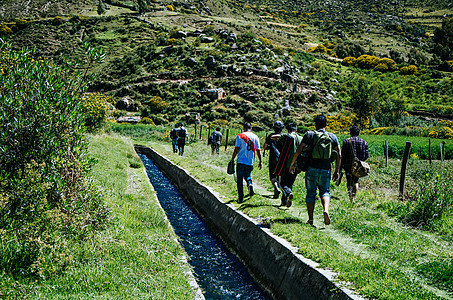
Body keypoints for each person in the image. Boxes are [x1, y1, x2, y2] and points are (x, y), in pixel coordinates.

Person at [289, 115, 341, 227]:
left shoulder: (310, 134)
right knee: (325, 191)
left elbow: (299, 150)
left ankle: (311, 219)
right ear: (326, 124)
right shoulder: (332, 137)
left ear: (315, 124)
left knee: (311, 193)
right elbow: (339, 155)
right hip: (326, 168)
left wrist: (293, 164)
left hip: (311, 167)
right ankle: (326, 210)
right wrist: (337, 170)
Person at [230, 122, 262, 203]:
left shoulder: (240, 136)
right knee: (247, 175)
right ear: (251, 128)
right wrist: (260, 161)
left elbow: (237, 148)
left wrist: (232, 159)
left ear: (244, 128)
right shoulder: (255, 137)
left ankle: (241, 198)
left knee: (239, 179)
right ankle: (249, 184)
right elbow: (258, 150)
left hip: (241, 160)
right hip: (250, 161)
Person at [273, 123, 302, 207]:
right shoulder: (301, 138)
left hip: (287, 164)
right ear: (296, 130)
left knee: (281, 184)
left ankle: (288, 194)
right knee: (289, 183)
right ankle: (284, 201)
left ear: (288, 130)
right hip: (296, 165)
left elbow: (274, 137)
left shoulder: (288, 136)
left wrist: (281, 136)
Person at [341, 125, 369, 203]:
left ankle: (351, 198)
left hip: (348, 165)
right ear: (358, 133)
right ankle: (354, 197)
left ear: (350, 133)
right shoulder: (364, 142)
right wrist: (360, 162)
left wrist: (341, 166)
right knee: (356, 181)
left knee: (349, 181)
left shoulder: (346, 141)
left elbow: (343, 155)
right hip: (359, 166)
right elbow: (366, 155)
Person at [263, 121, 284, 199]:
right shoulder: (283, 136)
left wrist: (270, 148)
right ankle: (282, 191)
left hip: (273, 158)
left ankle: (276, 188)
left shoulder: (271, 136)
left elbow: (265, 147)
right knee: (280, 175)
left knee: (272, 174)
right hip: (282, 158)